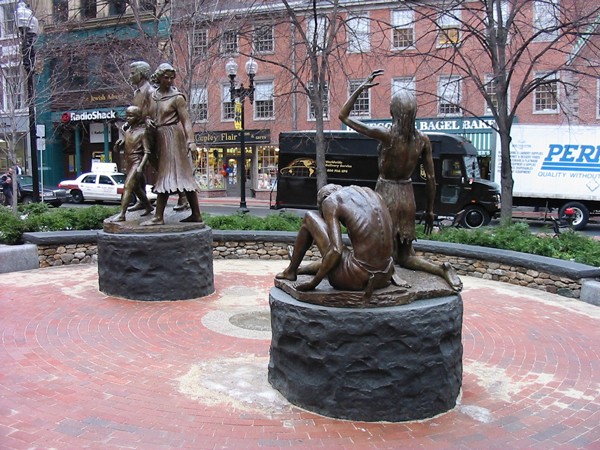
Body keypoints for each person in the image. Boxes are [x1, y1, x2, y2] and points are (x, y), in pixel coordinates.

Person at [339, 69, 462, 291]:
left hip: (385, 192)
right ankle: (440, 269)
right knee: (406, 255)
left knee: (380, 244)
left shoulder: (387, 135)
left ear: (393, 112)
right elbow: (431, 179)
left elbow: (343, 116)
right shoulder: (422, 140)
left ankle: (390, 274)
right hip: (407, 195)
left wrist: (359, 88)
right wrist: (431, 210)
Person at [276, 184, 396, 296]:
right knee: (340, 256)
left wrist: (314, 283)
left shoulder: (331, 201)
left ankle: (291, 271)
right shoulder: (373, 195)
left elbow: (336, 250)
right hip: (385, 276)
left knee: (309, 217)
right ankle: (300, 269)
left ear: (324, 200)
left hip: (356, 279)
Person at [141, 63, 202, 226]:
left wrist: (191, 141)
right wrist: (148, 121)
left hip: (173, 137)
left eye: (171, 78)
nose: (169, 81)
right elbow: (146, 115)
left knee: (168, 174)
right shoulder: (152, 96)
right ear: (158, 77)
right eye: (165, 77)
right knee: (181, 175)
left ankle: (158, 216)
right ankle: (196, 214)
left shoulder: (177, 97)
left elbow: (186, 120)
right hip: (158, 137)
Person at [125, 61, 188, 212]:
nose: (130, 76)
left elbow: (153, 113)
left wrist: (147, 120)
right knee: (140, 168)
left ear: (141, 74)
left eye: (133, 73)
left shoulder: (150, 91)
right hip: (139, 132)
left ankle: (183, 197)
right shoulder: (137, 93)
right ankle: (143, 201)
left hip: (152, 133)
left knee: (163, 167)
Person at [113, 106, 154, 222]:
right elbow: (117, 150)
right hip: (129, 162)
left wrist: (141, 166)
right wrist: (117, 145)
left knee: (127, 186)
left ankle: (122, 214)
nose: (128, 118)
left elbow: (147, 151)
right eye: (127, 115)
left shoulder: (143, 132)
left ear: (137, 117)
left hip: (137, 161)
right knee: (136, 187)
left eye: (131, 116)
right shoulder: (127, 132)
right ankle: (148, 206)